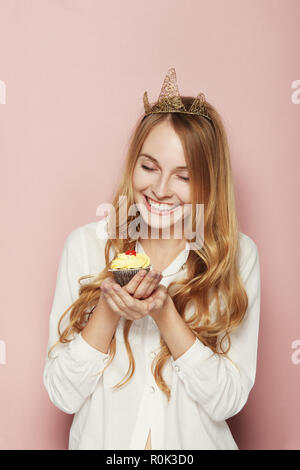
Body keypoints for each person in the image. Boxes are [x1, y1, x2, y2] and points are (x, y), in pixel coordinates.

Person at [43, 67, 261, 450]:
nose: (160, 189)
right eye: (149, 167)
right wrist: (109, 310)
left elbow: (228, 400)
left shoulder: (237, 257)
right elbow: (63, 394)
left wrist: (165, 314)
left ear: (210, 180)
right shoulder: (86, 246)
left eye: (184, 176)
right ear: (133, 164)